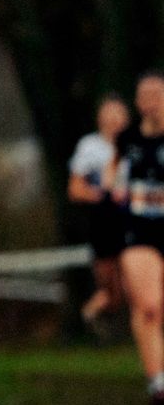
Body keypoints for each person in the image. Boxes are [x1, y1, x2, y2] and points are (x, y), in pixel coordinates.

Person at [109, 74, 164, 405]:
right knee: (148, 305)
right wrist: (114, 185)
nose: (150, 100)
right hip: (139, 230)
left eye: (157, 93)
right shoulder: (127, 139)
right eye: (143, 95)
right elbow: (113, 172)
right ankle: (158, 384)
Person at [68, 95, 130, 327]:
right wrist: (102, 195)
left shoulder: (138, 143)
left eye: (118, 113)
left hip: (134, 219)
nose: (114, 119)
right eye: (109, 113)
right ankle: (95, 311)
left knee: (136, 281)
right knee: (111, 291)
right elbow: (74, 189)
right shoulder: (90, 147)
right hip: (104, 219)